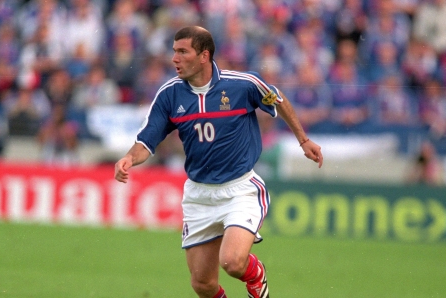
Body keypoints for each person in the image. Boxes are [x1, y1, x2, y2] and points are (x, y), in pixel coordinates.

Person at [114, 26, 323, 298]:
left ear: (204, 55)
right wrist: (130, 158)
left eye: (182, 52)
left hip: (240, 189)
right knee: (203, 284)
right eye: (174, 51)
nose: (174, 58)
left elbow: (278, 99)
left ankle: (256, 277)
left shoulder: (242, 84)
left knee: (233, 262)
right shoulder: (170, 95)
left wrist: (303, 139)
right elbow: (147, 141)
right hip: (199, 196)